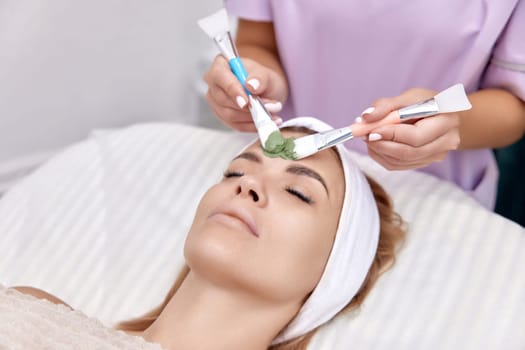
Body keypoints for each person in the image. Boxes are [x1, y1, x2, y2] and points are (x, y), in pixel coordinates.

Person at [5, 117, 405, 350]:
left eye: (298, 193)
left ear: (334, 275)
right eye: (236, 171)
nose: (245, 186)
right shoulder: (29, 311)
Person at [204, 1, 525, 210]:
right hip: (281, 166)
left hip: (429, 197)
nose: (244, 188)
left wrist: (452, 123)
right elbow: (257, 42)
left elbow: (514, 106)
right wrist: (257, 80)